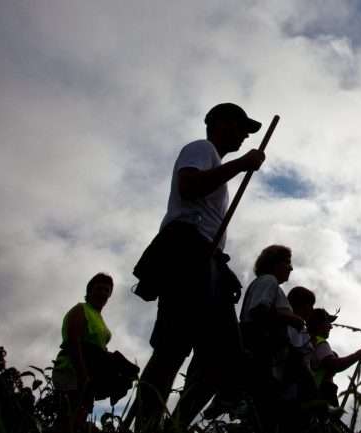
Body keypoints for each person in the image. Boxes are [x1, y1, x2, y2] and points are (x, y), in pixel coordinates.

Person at [130, 103, 266, 431]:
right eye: (240, 127)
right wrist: (241, 164)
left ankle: (177, 421)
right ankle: (147, 421)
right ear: (219, 123)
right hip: (187, 249)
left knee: (212, 350)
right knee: (177, 345)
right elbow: (189, 187)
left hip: (204, 256)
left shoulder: (214, 160)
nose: (244, 136)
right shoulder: (201, 149)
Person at [52, 273, 138, 432]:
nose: (103, 293)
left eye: (107, 290)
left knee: (80, 416)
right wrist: (82, 374)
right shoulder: (81, 309)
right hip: (72, 369)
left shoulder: (98, 317)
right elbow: (73, 342)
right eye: (99, 288)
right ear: (90, 290)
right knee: (69, 416)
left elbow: (99, 348)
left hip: (91, 369)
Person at [239, 245, 304, 432]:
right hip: (261, 355)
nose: (291, 268)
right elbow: (259, 310)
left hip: (267, 357)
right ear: (275, 263)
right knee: (263, 412)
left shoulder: (268, 283)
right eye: (288, 263)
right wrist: (292, 318)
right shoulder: (268, 281)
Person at [308, 308, 361, 407]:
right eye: (328, 322)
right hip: (321, 394)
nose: (331, 327)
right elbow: (334, 365)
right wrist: (357, 355)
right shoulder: (320, 343)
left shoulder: (307, 342)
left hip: (312, 393)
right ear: (319, 324)